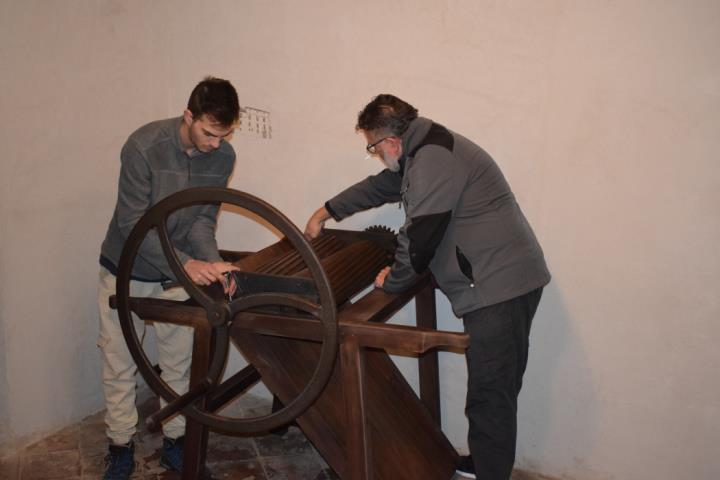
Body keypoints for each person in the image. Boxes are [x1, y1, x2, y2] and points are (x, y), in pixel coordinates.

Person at [305, 94, 551, 480]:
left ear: (390, 142)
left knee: (491, 391)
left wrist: (394, 279)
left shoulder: (433, 159)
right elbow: (381, 187)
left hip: (497, 286)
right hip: (501, 279)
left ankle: (491, 472)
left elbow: (420, 238)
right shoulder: (423, 148)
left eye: (372, 147)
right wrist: (328, 210)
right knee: (496, 388)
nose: (375, 154)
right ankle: (488, 463)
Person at [97, 76, 241, 480]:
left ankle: (177, 443)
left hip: (178, 270)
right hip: (124, 267)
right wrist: (185, 265)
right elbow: (132, 224)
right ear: (188, 115)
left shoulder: (222, 157)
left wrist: (211, 264)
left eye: (224, 134)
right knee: (120, 361)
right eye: (209, 133)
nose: (216, 144)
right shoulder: (143, 146)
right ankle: (120, 446)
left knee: (179, 362)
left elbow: (201, 220)